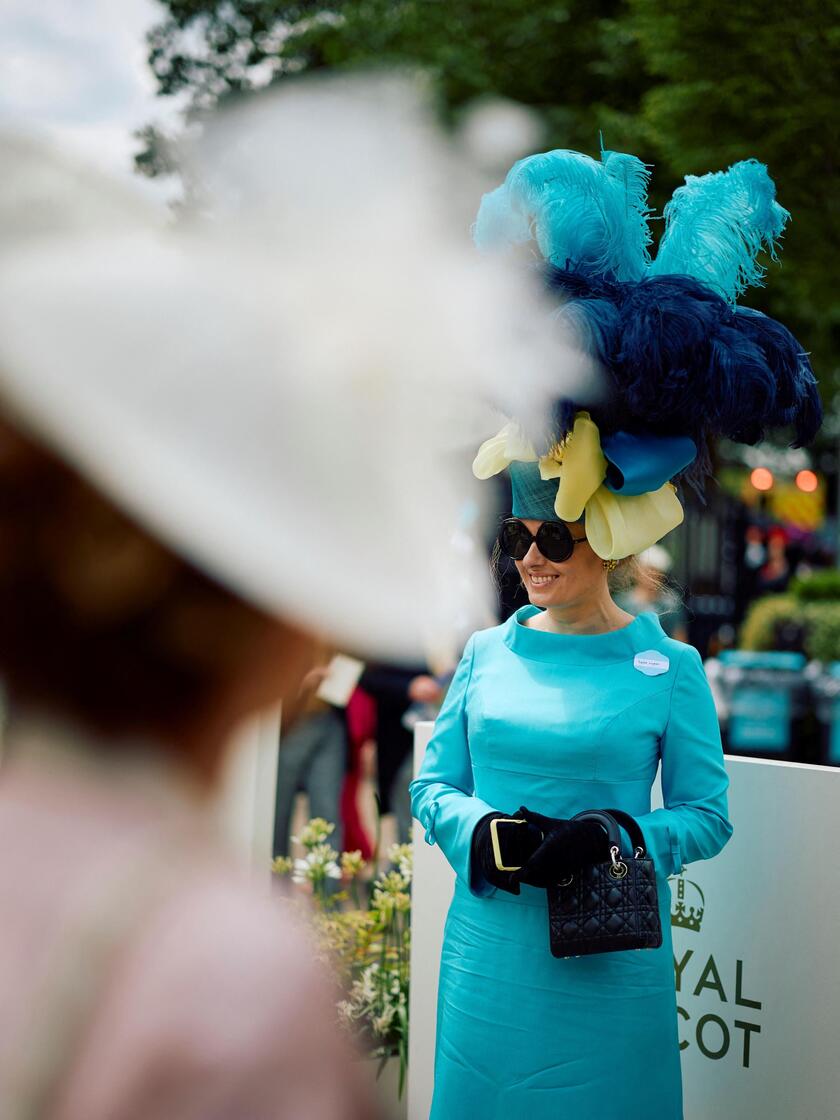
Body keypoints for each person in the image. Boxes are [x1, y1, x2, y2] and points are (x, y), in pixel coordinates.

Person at [411, 144, 821, 1118]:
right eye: (516, 535)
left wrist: (617, 833)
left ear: (608, 534)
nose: (530, 556)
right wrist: (488, 835)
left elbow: (708, 816)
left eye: (550, 534)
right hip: (487, 964)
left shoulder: (669, 666)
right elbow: (432, 785)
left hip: (607, 972)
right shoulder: (486, 653)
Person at [616, 543, 688, 641]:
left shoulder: (671, 604)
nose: (652, 576)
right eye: (648, 570)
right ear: (638, 571)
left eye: (657, 572)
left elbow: (679, 636)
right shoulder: (622, 602)